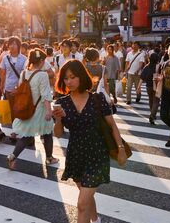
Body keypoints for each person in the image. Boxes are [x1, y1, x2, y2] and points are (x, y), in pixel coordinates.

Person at [52, 60, 126, 223]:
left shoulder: (97, 99)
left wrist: (120, 149)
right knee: (86, 196)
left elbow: (112, 125)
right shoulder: (62, 102)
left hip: (97, 155)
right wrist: (58, 119)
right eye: (65, 78)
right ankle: (95, 220)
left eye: (72, 77)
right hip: (76, 155)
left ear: (81, 77)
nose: (69, 81)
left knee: (81, 203)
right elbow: (58, 134)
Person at [6, 49, 57, 169]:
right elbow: (45, 95)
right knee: (47, 132)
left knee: (26, 136)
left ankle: (13, 156)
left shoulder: (24, 73)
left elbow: (20, 89)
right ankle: (49, 158)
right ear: (40, 61)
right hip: (40, 109)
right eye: (43, 61)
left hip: (27, 109)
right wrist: (49, 111)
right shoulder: (43, 75)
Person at [141, 52, 160, 125]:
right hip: (156, 86)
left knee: (150, 100)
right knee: (156, 101)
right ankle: (152, 115)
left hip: (148, 86)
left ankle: (152, 113)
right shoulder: (159, 66)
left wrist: (139, 87)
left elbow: (142, 77)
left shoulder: (147, 66)